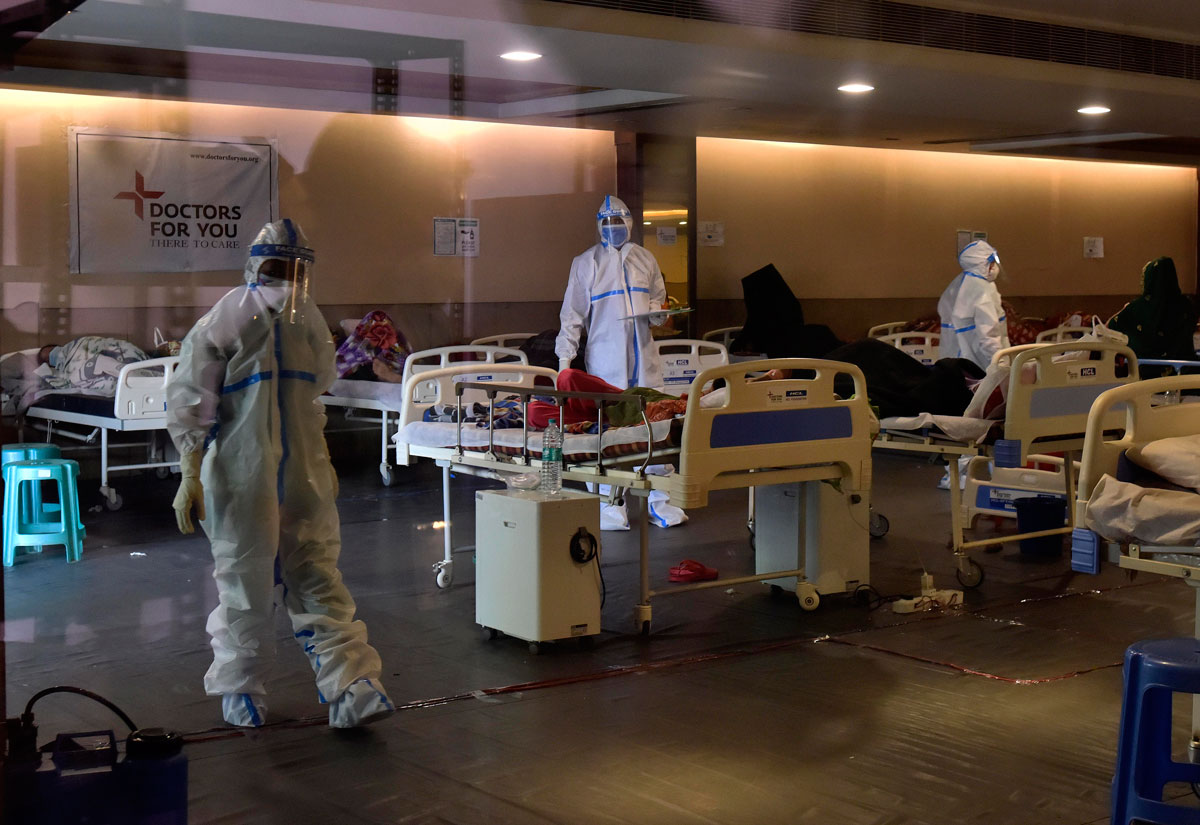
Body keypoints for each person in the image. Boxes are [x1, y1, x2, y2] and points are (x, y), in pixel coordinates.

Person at [166, 219, 394, 729]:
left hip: (296, 475)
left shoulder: (304, 319)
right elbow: (191, 399)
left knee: (314, 574)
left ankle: (351, 686)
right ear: (256, 265)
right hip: (244, 474)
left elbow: (312, 398)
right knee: (250, 581)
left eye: (293, 268)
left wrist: (322, 462)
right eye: (279, 267)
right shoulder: (229, 317)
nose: (287, 279)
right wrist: (189, 470)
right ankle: (242, 685)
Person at [554, 195, 684, 530]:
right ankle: (610, 506)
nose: (613, 229)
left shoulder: (645, 258)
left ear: (630, 223)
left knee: (656, 429)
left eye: (619, 222)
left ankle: (661, 502)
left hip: (646, 363)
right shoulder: (586, 263)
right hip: (605, 364)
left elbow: (658, 299)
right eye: (607, 223)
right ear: (599, 226)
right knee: (607, 436)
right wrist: (565, 362)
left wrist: (659, 313)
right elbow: (572, 315)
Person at [1108, 256, 1198, 361]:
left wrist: (1123, 310)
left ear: (1149, 279)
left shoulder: (1137, 308)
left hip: (1147, 371)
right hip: (1186, 370)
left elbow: (1108, 329)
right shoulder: (1187, 305)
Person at [937, 240, 1009, 370]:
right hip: (978, 362)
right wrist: (1001, 365)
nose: (995, 268)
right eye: (992, 263)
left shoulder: (962, 283)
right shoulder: (981, 290)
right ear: (984, 264)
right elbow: (989, 334)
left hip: (957, 358)